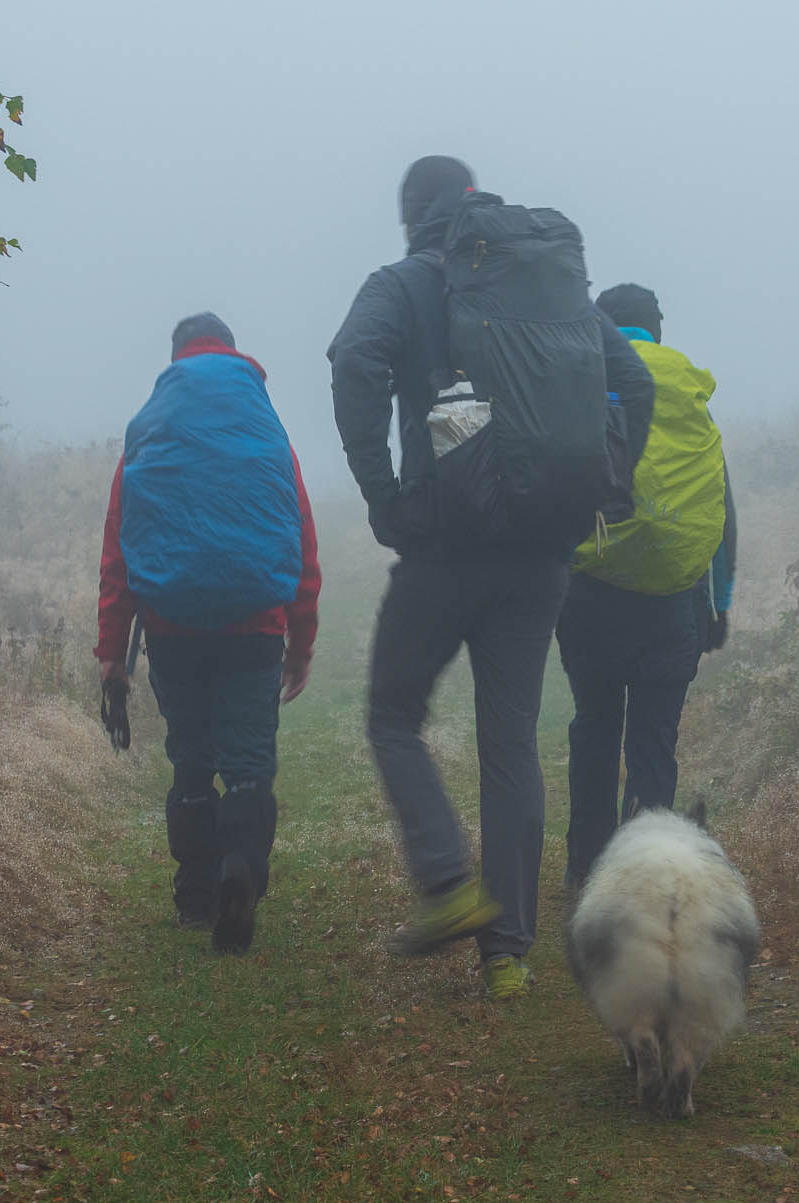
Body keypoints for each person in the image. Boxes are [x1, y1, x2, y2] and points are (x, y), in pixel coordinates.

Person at [327, 156, 654, 999]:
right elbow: (634, 382)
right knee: (510, 743)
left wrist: (382, 495)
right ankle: (507, 953)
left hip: (443, 548)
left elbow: (353, 362)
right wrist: (603, 486)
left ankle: (446, 885)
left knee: (395, 717)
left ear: (414, 216)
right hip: (540, 555)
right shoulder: (549, 286)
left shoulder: (402, 285)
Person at [97, 312, 321, 955]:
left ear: (175, 360)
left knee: (191, 759)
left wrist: (114, 651)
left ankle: (196, 895)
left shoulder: (149, 431)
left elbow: (119, 550)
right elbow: (300, 540)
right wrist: (300, 642)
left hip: (172, 624)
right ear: (232, 353)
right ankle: (242, 869)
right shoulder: (265, 431)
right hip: (256, 624)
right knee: (250, 763)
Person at [557, 284, 738, 891]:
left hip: (591, 593)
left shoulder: (582, 380)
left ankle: (586, 865)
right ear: (656, 330)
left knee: (595, 725)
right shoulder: (689, 396)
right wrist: (720, 603)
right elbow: (720, 510)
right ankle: (649, 871)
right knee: (655, 738)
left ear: (603, 327)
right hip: (675, 597)